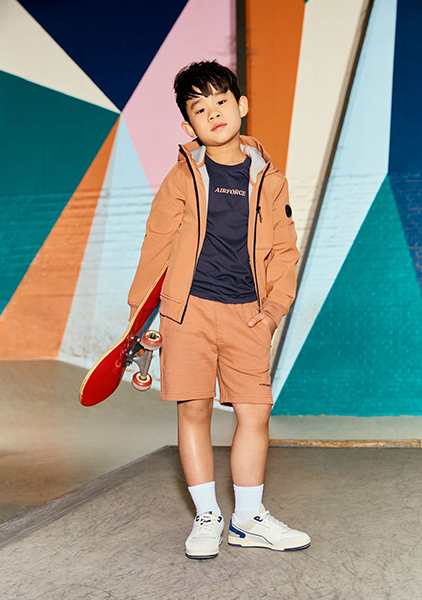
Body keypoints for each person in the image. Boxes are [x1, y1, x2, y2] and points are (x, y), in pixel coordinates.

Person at [127, 60, 311, 559]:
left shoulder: (270, 179)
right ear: (188, 125)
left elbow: (285, 252)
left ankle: (248, 520)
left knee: (255, 412)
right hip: (187, 313)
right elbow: (156, 244)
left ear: (241, 105)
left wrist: (272, 312)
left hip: (248, 314)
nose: (213, 114)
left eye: (221, 102)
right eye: (199, 108)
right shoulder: (181, 177)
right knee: (194, 410)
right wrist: (139, 318)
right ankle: (208, 516)